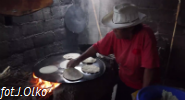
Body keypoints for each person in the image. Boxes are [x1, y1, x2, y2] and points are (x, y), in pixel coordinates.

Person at [67, 3, 160, 100]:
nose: (113, 30)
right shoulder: (114, 35)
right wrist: (78, 60)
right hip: (124, 81)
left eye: (117, 28)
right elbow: (96, 47)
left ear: (130, 28)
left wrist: (143, 94)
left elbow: (149, 68)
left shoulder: (146, 35)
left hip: (142, 85)